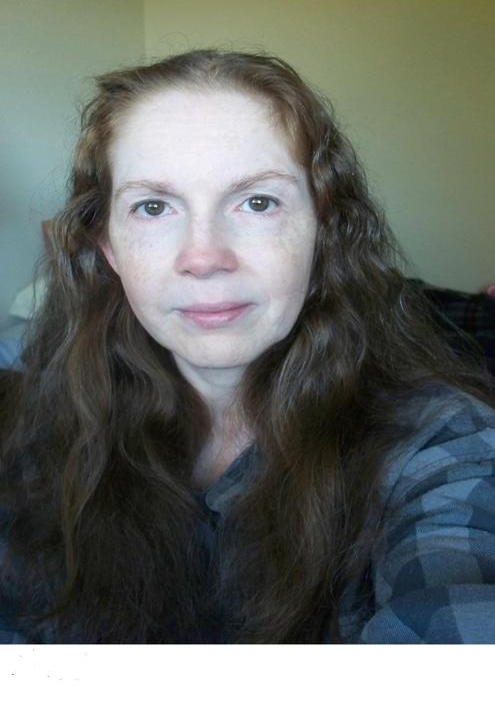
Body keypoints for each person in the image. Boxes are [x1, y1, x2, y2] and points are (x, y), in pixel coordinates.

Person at [1, 48, 495, 644]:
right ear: (109, 248)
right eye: (153, 207)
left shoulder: (440, 448)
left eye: (258, 202)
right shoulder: (38, 432)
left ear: (323, 231)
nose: (204, 256)